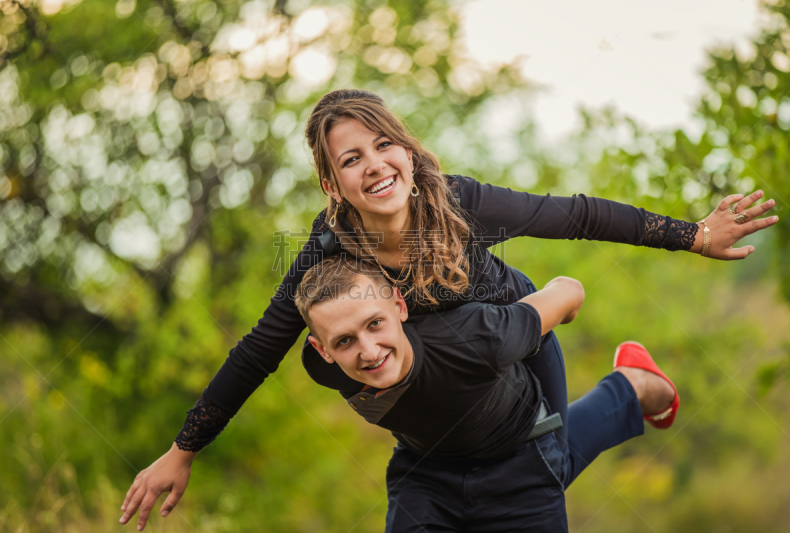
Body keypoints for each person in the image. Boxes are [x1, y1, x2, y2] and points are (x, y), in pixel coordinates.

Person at [119, 89, 777, 531]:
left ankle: (627, 391)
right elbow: (260, 349)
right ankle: (627, 390)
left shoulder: (457, 202)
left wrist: (691, 234)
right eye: (352, 159)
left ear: (406, 149)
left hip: (519, 332)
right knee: (467, 437)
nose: (375, 166)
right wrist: (185, 447)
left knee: (530, 456)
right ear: (332, 184)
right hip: (439, 392)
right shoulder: (328, 254)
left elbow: (574, 215)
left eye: (384, 146)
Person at [301, 255, 673, 531]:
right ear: (323, 351)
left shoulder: (477, 338)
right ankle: (630, 387)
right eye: (346, 341)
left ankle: (631, 384)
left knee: (556, 456)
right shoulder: (329, 369)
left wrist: (552, 313)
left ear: (399, 307)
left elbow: (568, 291)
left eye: (375, 324)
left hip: (520, 459)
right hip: (425, 472)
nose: (368, 351)